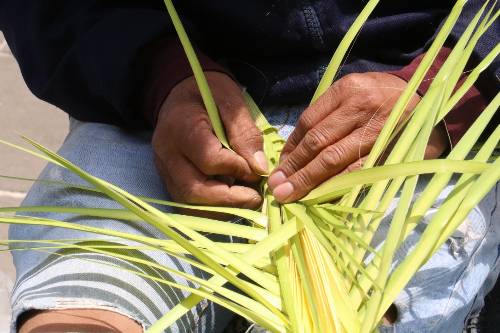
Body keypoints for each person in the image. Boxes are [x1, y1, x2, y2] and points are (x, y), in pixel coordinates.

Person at [0, 0, 498, 332]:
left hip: (421, 119)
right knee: (80, 313)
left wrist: (449, 88)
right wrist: (159, 71)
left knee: (365, 313)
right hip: (159, 117)